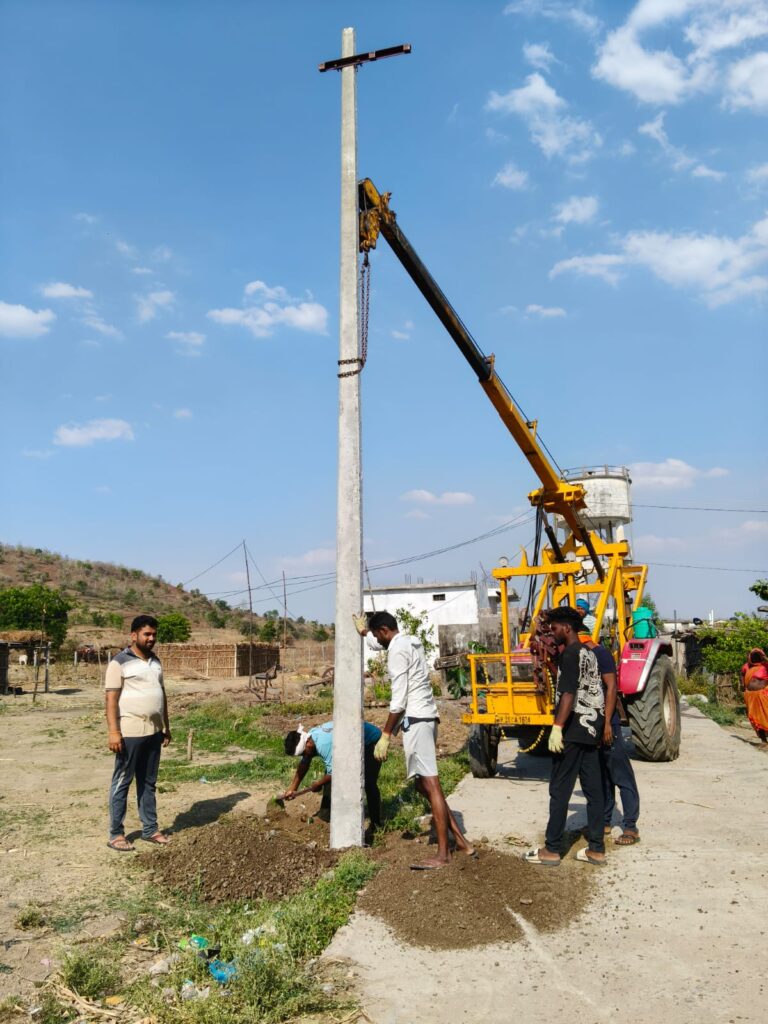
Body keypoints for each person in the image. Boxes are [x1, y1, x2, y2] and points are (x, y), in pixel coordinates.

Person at [355, 610, 475, 869]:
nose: (377, 640)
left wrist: (385, 735)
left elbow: (398, 700)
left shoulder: (397, 651)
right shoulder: (410, 641)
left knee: (430, 785)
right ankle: (462, 842)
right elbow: (380, 643)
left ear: (385, 631)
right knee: (424, 786)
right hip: (426, 717)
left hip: (417, 719)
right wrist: (365, 633)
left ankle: (444, 855)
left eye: (377, 635)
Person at [523, 605, 606, 867]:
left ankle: (552, 849)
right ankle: (596, 849)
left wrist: (557, 727)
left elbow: (568, 693)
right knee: (594, 791)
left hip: (572, 732)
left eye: (556, 627)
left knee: (559, 790)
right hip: (590, 732)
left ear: (567, 628)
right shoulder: (589, 654)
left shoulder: (571, 654)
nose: (553, 631)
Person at [105, 615, 171, 851]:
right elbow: (111, 699)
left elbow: (162, 694)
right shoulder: (119, 662)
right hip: (130, 732)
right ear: (134, 635)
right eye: (147, 634)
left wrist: (166, 726)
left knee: (148, 782)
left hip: (153, 731)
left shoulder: (155, 662)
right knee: (123, 781)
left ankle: (150, 829)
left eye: (154, 634)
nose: (151, 638)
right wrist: (114, 732)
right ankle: (116, 834)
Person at [580, 627, 641, 845]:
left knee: (621, 776)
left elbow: (611, 686)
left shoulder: (600, 654)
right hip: (590, 728)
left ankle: (631, 826)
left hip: (607, 726)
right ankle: (605, 821)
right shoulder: (580, 656)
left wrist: (607, 723)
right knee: (602, 778)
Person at [280, 720, 384, 831]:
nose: (304, 756)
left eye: (303, 753)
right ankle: (326, 814)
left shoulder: (325, 745)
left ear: (308, 744)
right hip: (350, 741)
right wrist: (293, 789)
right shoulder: (310, 739)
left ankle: (376, 824)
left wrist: (318, 784)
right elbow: (304, 763)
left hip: (370, 741)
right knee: (329, 775)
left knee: (369, 782)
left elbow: (336, 773)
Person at [742, 648, 768, 744]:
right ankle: (764, 742)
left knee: (765, 717)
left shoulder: (765, 666)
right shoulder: (749, 668)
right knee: (755, 719)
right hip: (751, 697)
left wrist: (763, 656)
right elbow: (743, 678)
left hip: (762, 696)